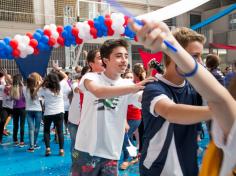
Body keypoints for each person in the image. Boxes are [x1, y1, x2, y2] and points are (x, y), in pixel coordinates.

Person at [129, 19, 236, 176]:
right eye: (195, 56)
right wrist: (223, 109)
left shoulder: (193, 88)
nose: (200, 62)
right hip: (158, 169)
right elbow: (171, 112)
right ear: (174, 56)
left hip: (187, 166)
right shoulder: (154, 87)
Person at [71, 39, 154, 176]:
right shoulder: (91, 77)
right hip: (85, 149)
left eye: (126, 56)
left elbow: (142, 99)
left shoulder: (126, 84)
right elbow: (98, 92)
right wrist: (135, 87)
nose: (124, 60)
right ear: (106, 60)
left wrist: (154, 88)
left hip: (111, 152)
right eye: (118, 56)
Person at [68, 49, 104, 158]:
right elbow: (77, 89)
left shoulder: (102, 80)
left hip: (89, 121)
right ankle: (75, 166)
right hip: (76, 120)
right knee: (77, 146)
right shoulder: (80, 83)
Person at [23, 72, 43, 152]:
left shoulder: (25, 89)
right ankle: (34, 143)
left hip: (28, 110)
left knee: (31, 128)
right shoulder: (39, 89)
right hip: (38, 110)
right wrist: (40, 82)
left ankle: (31, 146)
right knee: (37, 128)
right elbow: (42, 96)